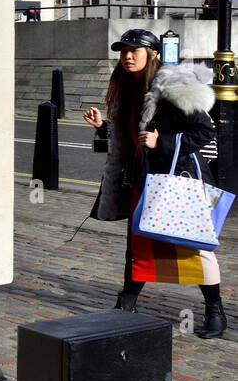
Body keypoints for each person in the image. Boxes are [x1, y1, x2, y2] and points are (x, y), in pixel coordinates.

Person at [84, 28, 227, 338]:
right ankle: (127, 305)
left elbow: (205, 132)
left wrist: (163, 141)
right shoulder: (126, 87)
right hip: (143, 180)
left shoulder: (173, 86)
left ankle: (215, 311)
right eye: (123, 50)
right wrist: (103, 127)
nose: (127, 56)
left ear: (153, 54)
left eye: (135, 50)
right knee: (138, 245)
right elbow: (130, 139)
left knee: (194, 248)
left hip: (177, 182)